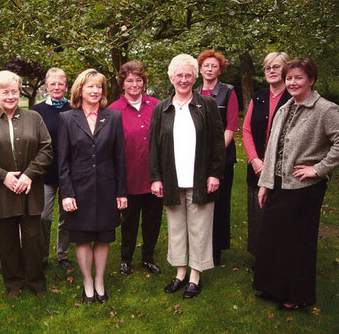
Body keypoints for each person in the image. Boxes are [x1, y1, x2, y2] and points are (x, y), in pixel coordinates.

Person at [254, 58, 339, 310]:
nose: (292, 82)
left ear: (311, 80)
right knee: (273, 238)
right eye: (289, 78)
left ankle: (296, 296)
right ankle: (273, 288)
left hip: (305, 189)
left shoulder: (325, 109)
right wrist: (265, 182)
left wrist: (319, 168)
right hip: (280, 184)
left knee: (297, 244)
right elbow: (272, 150)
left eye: (299, 77)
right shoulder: (284, 108)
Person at [0, 70, 52, 298]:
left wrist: (28, 175)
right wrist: (3, 176)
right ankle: (13, 284)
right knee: (6, 241)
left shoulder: (34, 118)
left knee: (33, 239)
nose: (10, 96)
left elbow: (46, 149)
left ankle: (36, 283)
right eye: (5, 92)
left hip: (30, 189)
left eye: (14, 91)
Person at [149, 54, 225, 299]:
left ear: (195, 77)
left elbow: (217, 143)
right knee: (177, 228)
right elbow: (154, 147)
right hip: (172, 179)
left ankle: (195, 275)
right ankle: (180, 272)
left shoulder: (207, 105)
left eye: (188, 75)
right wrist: (156, 177)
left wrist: (215, 173)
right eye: (178, 75)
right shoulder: (161, 108)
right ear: (171, 77)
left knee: (200, 227)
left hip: (199, 178)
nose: (183, 79)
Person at [58, 69, 127, 303]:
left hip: (107, 189)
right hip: (79, 191)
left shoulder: (114, 117)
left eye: (99, 87)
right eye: (90, 86)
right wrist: (66, 193)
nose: (95, 91)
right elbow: (63, 160)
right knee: (83, 237)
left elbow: (119, 157)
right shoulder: (67, 119)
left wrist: (121, 191)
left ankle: (100, 281)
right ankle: (87, 281)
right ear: (80, 90)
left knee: (104, 237)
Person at [109, 61, 163, 276]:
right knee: (129, 223)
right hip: (128, 177)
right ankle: (126, 259)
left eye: (138, 80)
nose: (134, 84)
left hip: (154, 176)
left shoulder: (157, 106)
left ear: (143, 82)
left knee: (153, 221)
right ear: (122, 83)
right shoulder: (113, 110)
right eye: (129, 80)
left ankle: (148, 258)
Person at [242, 52, 291, 258]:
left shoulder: (293, 96)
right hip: (257, 167)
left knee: (280, 216)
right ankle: (259, 258)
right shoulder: (258, 97)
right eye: (268, 67)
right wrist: (254, 160)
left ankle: (278, 259)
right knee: (257, 215)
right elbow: (246, 131)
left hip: (283, 168)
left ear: (286, 69)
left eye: (276, 67)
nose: (271, 71)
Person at [196, 50, 239, 265]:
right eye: (206, 65)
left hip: (222, 158)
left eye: (214, 66)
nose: (210, 69)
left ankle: (217, 249)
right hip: (197, 158)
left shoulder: (228, 92)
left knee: (220, 204)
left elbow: (231, 125)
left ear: (220, 69)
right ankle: (200, 245)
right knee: (201, 204)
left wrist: (216, 152)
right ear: (200, 69)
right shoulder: (194, 92)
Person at [31, 67, 72, 270]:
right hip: (44, 173)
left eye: (60, 83)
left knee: (66, 217)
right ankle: (42, 256)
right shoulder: (36, 111)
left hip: (68, 174)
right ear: (46, 86)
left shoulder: (73, 109)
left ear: (66, 86)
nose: (57, 87)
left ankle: (63, 255)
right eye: (52, 84)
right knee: (43, 217)